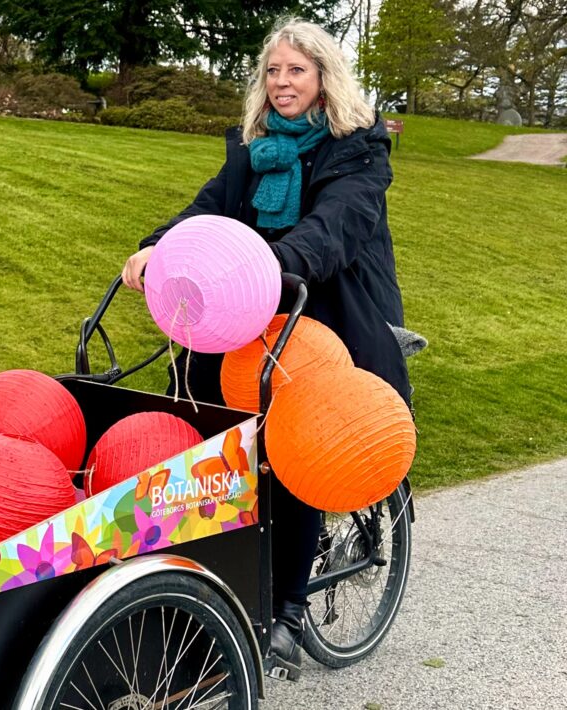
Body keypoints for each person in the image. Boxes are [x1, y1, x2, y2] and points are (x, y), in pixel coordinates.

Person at [121, 18, 412, 680]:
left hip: (330, 315)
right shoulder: (255, 153)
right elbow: (208, 211)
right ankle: (210, 580)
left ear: (323, 79)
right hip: (252, 316)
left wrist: (270, 266)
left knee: (296, 447)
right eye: (274, 72)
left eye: (297, 71)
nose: (283, 83)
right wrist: (159, 245)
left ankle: (285, 611)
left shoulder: (358, 150)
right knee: (205, 424)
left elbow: (333, 230)